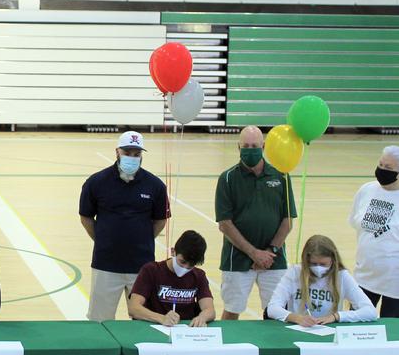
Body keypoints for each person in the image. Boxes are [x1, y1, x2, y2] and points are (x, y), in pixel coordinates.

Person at [79, 131, 169, 321]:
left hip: (141, 266)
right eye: (127, 152)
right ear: (117, 152)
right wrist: (103, 239)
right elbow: (85, 216)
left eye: (136, 154)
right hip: (106, 264)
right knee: (99, 319)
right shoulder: (96, 182)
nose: (132, 157)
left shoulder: (156, 186)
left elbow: (160, 220)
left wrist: (142, 239)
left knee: (144, 319)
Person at [215, 126, 296, 320]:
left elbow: (287, 220)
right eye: (246, 146)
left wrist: (270, 252)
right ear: (238, 147)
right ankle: (228, 347)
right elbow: (225, 223)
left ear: (264, 146)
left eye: (255, 146)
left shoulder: (281, 175)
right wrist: (254, 253)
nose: (250, 149)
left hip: (274, 260)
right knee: (232, 310)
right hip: (237, 260)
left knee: (277, 311)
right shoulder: (227, 178)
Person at [267, 235, 376, 325]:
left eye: (323, 264)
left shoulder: (342, 276)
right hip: (299, 329)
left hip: (331, 332)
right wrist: (297, 318)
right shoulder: (295, 272)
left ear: (333, 260)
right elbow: (272, 308)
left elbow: (370, 311)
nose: (318, 268)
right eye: (313, 264)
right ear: (306, 260)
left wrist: (336, 316)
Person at [349, 145, 399, 318]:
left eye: (389, 168)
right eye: (380, 164)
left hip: (394, 286)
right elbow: (356, 223)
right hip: (364, 277)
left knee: (392, 335)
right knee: (355, 327)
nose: (382, 170)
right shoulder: (366, 190)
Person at [128, 230, 215, 327]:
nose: (185, 268)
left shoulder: (199, 276)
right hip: (154, 326)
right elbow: (133, 308)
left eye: (191, 265)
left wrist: (202, 318)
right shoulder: (151, 270)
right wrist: (161, 318)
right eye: (182, 262)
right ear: (173, 251)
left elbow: (210, 309)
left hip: (185, 330)